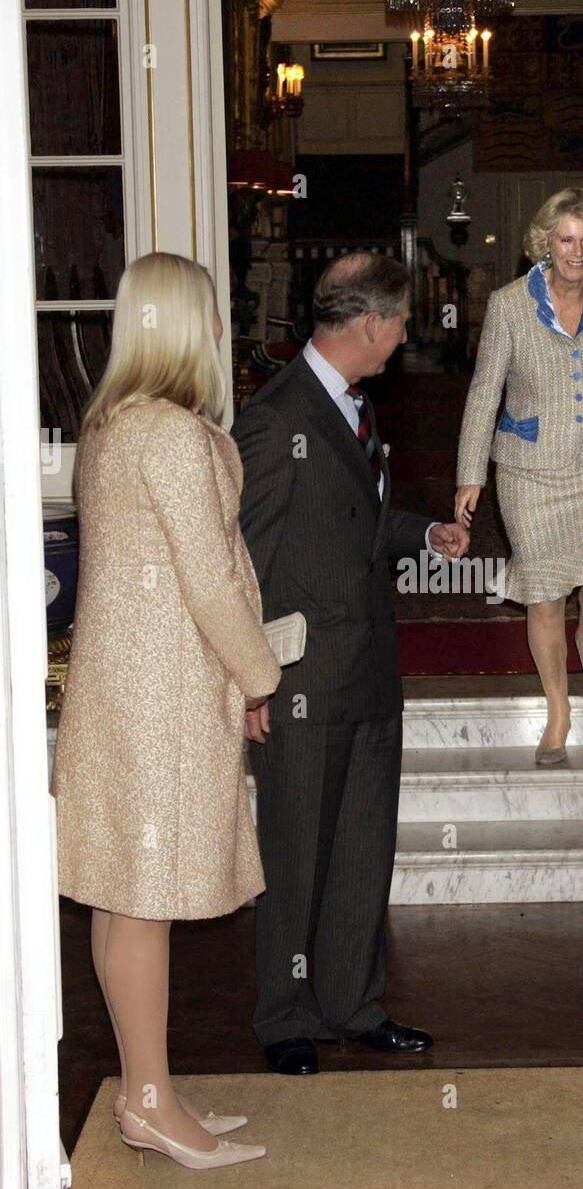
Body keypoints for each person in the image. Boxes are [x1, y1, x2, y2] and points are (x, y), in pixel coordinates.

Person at [51, 252, 282, 1171]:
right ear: (191, 326)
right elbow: (213, 580)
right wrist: (260, 675)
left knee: (119, 898)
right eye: (213, 314)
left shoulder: (110, 427)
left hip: (116, 688)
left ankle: (150, 1087)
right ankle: (147, 1098)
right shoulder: (176, 436)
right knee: (142, 903)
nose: (224, 330)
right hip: (163, 698)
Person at [233, 252, 469, 1075]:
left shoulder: (354, 407)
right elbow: (246, 559)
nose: (406, 338)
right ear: (370, 323)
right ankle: (285, 1016)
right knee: (296, 851)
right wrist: (251, 678)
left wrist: (422, 533)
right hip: (301, 681)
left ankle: (353, 1003)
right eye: (401, 322)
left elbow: (357, 524)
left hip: (371, 666)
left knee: (365, 850)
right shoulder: (274, 419)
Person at [455, 187, 583, 766]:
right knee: (544, 595)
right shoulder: (508, 305)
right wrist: (470, 472)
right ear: (545, 243)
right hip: (529, 470)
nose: (576, 252)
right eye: (565, 240)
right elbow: (483, 394)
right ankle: (557, 709)